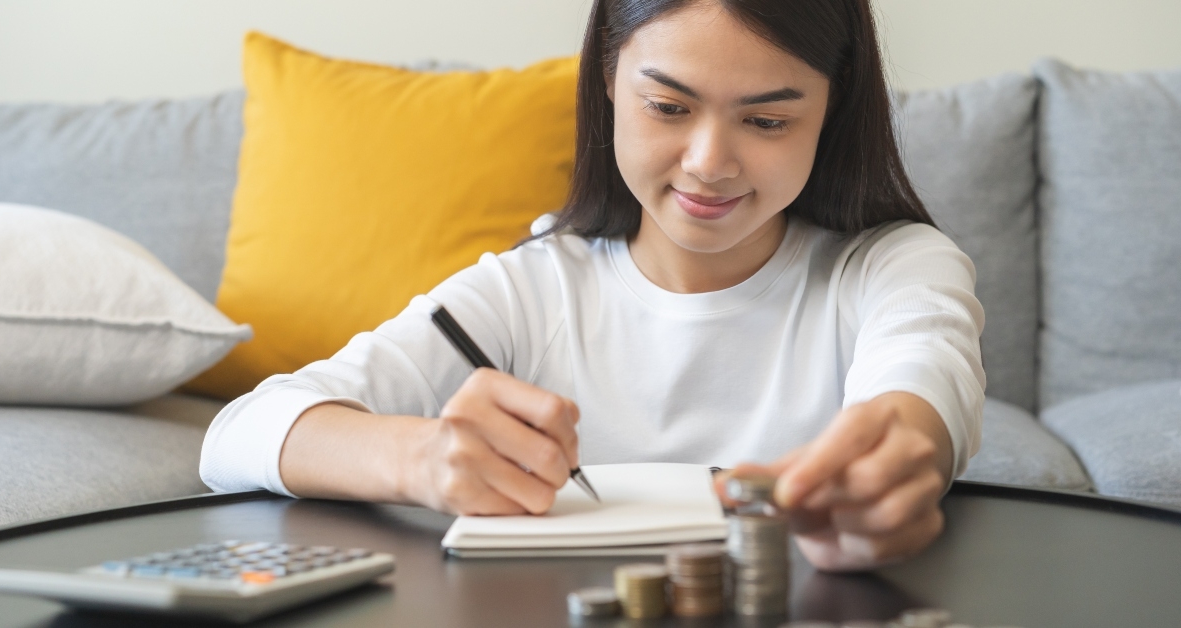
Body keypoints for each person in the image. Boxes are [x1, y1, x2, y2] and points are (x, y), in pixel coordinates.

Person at [200, 0, 985, 572]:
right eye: (668, 106)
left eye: (768, 121)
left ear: (831, 110)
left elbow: (919, 385)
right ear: (609, 82)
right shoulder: (531, 288)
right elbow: (240, 434)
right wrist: (424, 458)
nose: (710, 162)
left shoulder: (894, 267)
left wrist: (901, 455)